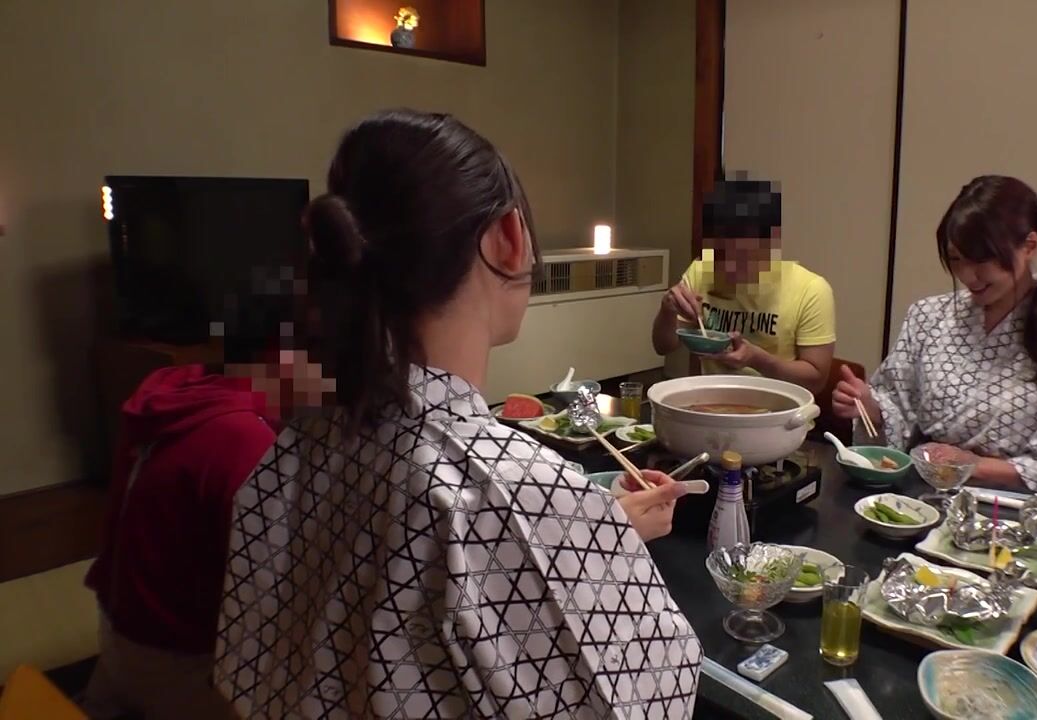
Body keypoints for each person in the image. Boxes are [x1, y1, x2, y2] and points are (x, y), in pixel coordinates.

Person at [214, 110, 703, 719]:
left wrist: (585, 531)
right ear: (508, 238)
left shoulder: (298, 443)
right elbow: (650, 700)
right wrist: (578, 536)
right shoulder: (503, 486)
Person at [80, 277, 330, 720]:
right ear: (282, 354)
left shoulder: (180, 391)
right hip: (175, 663)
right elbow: (279, 596)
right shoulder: (243, 440)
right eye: (327, 357)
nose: (335, 376)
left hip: (120, 638)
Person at [833, 175, 1037, 505]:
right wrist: (870, 407)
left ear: (1029, 246)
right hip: (922, 499)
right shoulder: (927, 316)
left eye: (982, 259)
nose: (968, 276)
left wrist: (972, 465)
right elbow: (896, 410)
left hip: (1018, 510)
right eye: (956, 259)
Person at [651, 176, 835, 394]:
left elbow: (816, 380)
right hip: (710, 401)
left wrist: (759, 360)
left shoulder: (811, 289)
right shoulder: (701, 271)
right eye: (720, 254)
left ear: (770, 242)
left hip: (779, 409)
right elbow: (663, 346)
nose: (727, 266)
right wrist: (667, 310)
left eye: (741, 256)